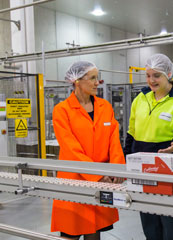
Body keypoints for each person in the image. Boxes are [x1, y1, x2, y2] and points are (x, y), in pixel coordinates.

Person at [124, 53, 173, 240]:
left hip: (169, 168)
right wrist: (125, 157)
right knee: (149, 223)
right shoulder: (141, 98)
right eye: (148, 75)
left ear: (169, 74)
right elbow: (132, 131)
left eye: (156, 75)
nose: (151, 80)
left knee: (171, 222)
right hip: (143, 169)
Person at [51, 61, 125, 240]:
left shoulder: (105, 107)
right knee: (71, 231)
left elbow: (114, 140)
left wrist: (116, 169)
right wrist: (97, 174)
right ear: (77, 81)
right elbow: (70, 148)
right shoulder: (62, 111)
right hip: (75, 181)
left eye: (97, 78)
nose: (97, 82)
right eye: (92, 78)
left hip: (103, 179)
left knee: (95, 229)